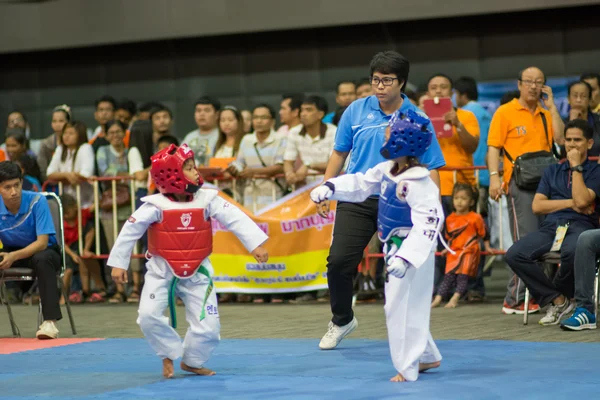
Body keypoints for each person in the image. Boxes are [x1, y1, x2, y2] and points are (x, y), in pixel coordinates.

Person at [315, 50, 445, 350]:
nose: (380, 85)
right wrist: (327, 187)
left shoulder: (417, 118)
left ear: (402, 82)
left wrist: (433, 210)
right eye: (375, 79)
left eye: (387, 80)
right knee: (338, 262)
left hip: (400, 201)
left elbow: (432, 166)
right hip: (357, 197)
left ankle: (417, 339)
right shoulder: (355, 111)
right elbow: (339, 153)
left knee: (403, 271)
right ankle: (342, 319)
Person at [107, 143, 269, 378]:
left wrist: (254, 243)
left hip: (198, 272)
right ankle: (167, 352)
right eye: (190, 168)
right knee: (148, 316)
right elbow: (130, 230)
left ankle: (192, 360)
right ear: (171, 175)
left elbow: (234, 217)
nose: (197, 172)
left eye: (194, 167)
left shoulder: (207, 198)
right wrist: (118, 263)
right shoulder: (155, 205)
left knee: (210, 328)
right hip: (161, 271)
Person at [310, 109, 443, 382]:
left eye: (388, 132)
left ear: (402, 141)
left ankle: (407, 367)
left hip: (413, 252)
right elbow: (360, 183)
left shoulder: (420, 182)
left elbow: (430, 222)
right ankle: (428, 356)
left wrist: (407, 257)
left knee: (401, 307)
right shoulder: (387, 170)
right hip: (393, 248)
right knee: (405, 305)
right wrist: (331, 187)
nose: (383, 135)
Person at [506, 119, 600, 326]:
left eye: (578, 140)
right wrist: (571, 203)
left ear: (590, 143)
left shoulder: (595, 171)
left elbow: (584, 200)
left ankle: (560, 299)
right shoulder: (551, 171)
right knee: (514, 254)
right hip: (552, 227)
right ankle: (557, 299)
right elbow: (538, 206)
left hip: (581, 226)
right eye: (568, 140)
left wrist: (576, 168)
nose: (572, 145)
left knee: (573, 250)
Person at [0, 161, 62, 339]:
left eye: (16, 185)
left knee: (42, 259)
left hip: (45, 252)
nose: (13, 192)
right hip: (13, 252)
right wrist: (9, 256)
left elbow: (42, 242)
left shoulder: (37, 201)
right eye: (7, 187)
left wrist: (13, 256)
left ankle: (50, 323)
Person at [432, 183, 495, 308]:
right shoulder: (450, 219)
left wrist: (487, 247)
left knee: (462, 277)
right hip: (454, 252)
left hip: (469, 251)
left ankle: (455, 298)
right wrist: (447, 248)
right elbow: (450, 238)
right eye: (456, 198)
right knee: (448, 277)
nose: (459, 202)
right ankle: (438, 299)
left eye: (463, 198)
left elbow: (484, 233)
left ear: (471, 202)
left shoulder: (475, 218)